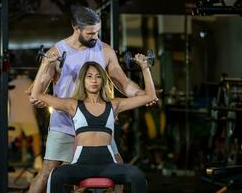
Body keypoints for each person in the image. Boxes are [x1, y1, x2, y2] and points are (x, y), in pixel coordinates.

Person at [26, 5, 158, 193]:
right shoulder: (57, 51)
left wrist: (141, 95)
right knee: (48, 172)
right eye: (90, 33)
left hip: (97, 124)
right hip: (65, 123)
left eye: (97, 32)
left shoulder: (105, 50)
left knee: (118, 165)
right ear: (76, 28)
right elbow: (39, 87)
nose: (95, 37)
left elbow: (123, 82)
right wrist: (35, 95)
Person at [31, 57, 156, 193]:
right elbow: (36, 94)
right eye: (89, 76)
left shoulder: (114, 105)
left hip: (108, 165)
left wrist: (145, 68)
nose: (94, 80)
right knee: (55, 176)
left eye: (98, 77)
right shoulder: (73, 105)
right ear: (83, 80)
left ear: (103, 80)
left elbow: (150, 96)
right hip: (81, 166)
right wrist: (45, 64)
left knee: (137, 175)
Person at [8, 74, 42, 169]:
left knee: (9, 137)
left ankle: (3, 159)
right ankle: (38, 160)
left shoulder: (10, 84)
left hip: (14, 116)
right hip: (28, 116)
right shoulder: (30, 83)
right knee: (35, 136)